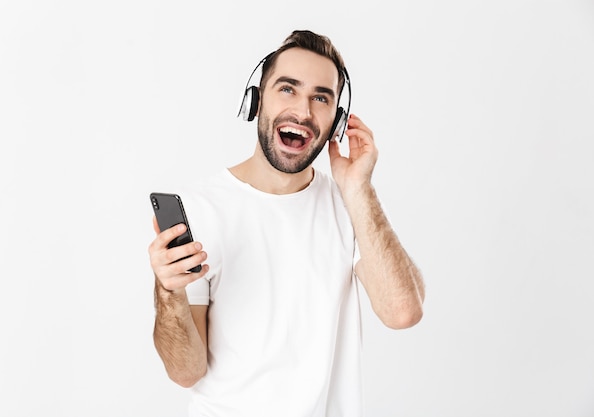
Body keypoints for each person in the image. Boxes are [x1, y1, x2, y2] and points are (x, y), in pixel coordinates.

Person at [148, 29, 425, 417]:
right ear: (257, 100)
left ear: (338, 122)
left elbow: (402, 312)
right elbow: (186, 371)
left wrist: (358, 187)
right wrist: (168, 292)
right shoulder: (201, 208)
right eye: (288, 89)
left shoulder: (351, 205)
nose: (304, 111)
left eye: (321, 98)